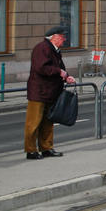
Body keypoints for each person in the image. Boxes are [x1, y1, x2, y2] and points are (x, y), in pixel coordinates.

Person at [24, 26, 76, 160]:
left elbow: (60, 67)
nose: (64, 40)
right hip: (39, 91)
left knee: (48, 122)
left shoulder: (54, 50)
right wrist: (59, 72)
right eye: (62, 37)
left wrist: (66, 76)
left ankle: (46, 148)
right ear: (54, 37)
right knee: (33, 123)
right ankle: (31, 150)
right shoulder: (42, 48)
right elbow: (42, 67)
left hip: (50, 92)